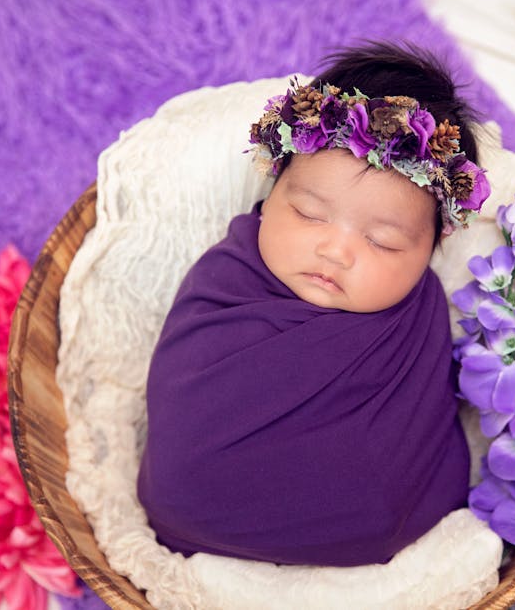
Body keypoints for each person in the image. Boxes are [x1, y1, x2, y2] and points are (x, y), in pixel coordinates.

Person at [137, 41, 491, 567]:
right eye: (308, 213)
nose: (336, 250)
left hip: (370, 531)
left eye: (384, 242)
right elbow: (185, 397)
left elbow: (414, 435)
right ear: (272, 189)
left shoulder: (417, 318)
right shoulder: (226, 279)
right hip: (187, 505)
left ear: (432, 249)